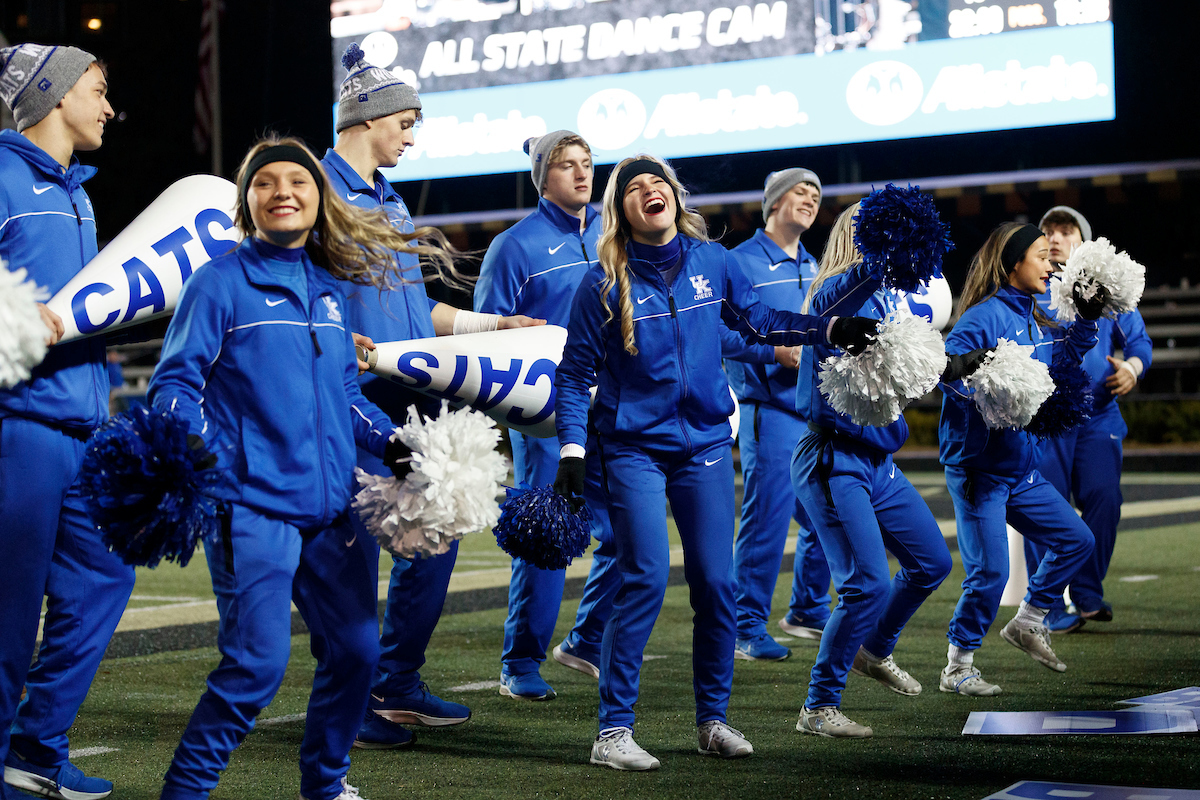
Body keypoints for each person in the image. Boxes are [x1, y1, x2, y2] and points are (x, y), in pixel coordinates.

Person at [553, 154, 875, 770]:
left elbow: (760, 321)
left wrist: (827, 332)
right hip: (631, 449)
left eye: (659, 183)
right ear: (620, 210)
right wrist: (572, 452)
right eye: (635, 187)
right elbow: (572, 378)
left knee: (717, 583)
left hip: (702, 444)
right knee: (644, 575)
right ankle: (612, 732)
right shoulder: (600, 282)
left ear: (675, 196)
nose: (651, 191)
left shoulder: (713, 262)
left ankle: (713, 720)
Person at [148, 136, 434, 800]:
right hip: (252, 508)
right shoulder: (218, 283)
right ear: (247, 202)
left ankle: (326, 782)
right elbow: (175, 386)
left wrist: (397, 447)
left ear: (317, 197)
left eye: (298, 182)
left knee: (360, 651)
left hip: (332, 512)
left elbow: (345, 396)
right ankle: (183, 793)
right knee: (255, 666)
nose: (284, 192)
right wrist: (209, 461)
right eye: (266, 182)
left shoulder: (327, 290)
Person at [322, 43, 541, 748]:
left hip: (409, 394)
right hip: (346, 398)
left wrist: (494, 324)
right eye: (407, 121)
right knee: (351, 557)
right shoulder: (316, 190)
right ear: (371, 117)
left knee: (434, 536)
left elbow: (418, 317)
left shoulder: (391, 200)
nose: (413, 135)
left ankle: (395, 682)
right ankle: (352, 709)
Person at [1, 43, 132, 800]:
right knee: (10, 617)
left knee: (105, 579)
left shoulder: (75, 190)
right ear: (54, 97)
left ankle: (37, 749)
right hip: (17, 427)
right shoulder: (3, 177)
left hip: (83, 428)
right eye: (98, 89)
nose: (108, 106)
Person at [789, 202, 956, 739]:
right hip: (833, 459)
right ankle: (818, 706)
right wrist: (885, 259)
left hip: (878, 461)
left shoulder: (889, 297)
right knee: (865, 584)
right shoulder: (832, 292)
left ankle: (874, 648)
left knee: (931, 563)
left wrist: (960, 370)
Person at [474, 129, 619, 699]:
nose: (582, 175)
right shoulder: (515, 246)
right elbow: (487, 332)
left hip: (614, 405)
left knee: (629, 534)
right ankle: (521, 661)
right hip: (545, 411)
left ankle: (584, 640)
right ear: (542, 176)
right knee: (547, 532)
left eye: (587, 164)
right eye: (566, 166)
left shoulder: (613, 237)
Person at [939, 222, 1101, 697]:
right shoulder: (981, 318)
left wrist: (1088, 319)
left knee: (1076, 540)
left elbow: (1064, 361)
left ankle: (1029, 620)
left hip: (1021, 469)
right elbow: (945, 374)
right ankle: (958, 665)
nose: (1051, 264)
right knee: (991, 573)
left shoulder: (1034, 316)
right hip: (979, 470)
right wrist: (976, 371)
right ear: (1013, 264)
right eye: (1041, 254)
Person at [1021, 206, 1152, 630]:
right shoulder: (1031, 286)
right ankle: (1046, 609)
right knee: (1045, 509)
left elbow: (1140, 342)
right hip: (1046, 418)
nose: (1056, 237)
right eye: (1049, 231)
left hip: (1098, 414)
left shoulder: (1108, 290)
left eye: (1066, 230)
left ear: (1085, 240)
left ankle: (1088, 593)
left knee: (1105, 499)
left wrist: (1132, 367)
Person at [721, 167, 831, 662]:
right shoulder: (738, 260)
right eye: (800, 191)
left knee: (824, 513)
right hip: (771, 409)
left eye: (816, 194)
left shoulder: (817, 262)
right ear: (773, 202)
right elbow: (718, 333)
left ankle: (808, 608)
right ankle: (745, 627)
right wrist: (773, 354)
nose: (810, 198)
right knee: (766, 520)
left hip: (816, 409)